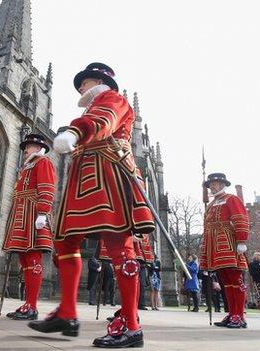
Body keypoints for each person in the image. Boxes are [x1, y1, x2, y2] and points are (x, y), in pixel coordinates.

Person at [28, 62, 155, 348]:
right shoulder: (90, 107)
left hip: (107, 175)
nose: (80, 88)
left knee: (118, 246)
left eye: (83, 83)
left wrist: (74, 132)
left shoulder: (113, 99)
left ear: (96, 81)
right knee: (64, 242)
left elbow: (103, 121)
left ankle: (132, 327)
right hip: (82, 179)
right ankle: (68, 313)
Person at [2, 133, 56, 320]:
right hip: (21, 212)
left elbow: (47, 187)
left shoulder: (43, 162)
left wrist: (43, 212)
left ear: (38, 148)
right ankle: (27, 304)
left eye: (30, 146)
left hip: (33, 212)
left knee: (33, 256)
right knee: (24, 258)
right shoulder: (26, 167)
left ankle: (32, 306)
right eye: (26, 146)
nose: (25, 149)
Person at [199, 173, 250, 329]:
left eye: (215, 184)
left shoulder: (231, 199)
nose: (212, 187)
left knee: (235, 280)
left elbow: (240, 218)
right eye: (210, 185)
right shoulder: (212, 203)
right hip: (214, 245)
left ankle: (239, 315)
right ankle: (232, 312)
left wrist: (241, 240)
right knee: (225, 282)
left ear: (222, 184)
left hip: (228, 242)